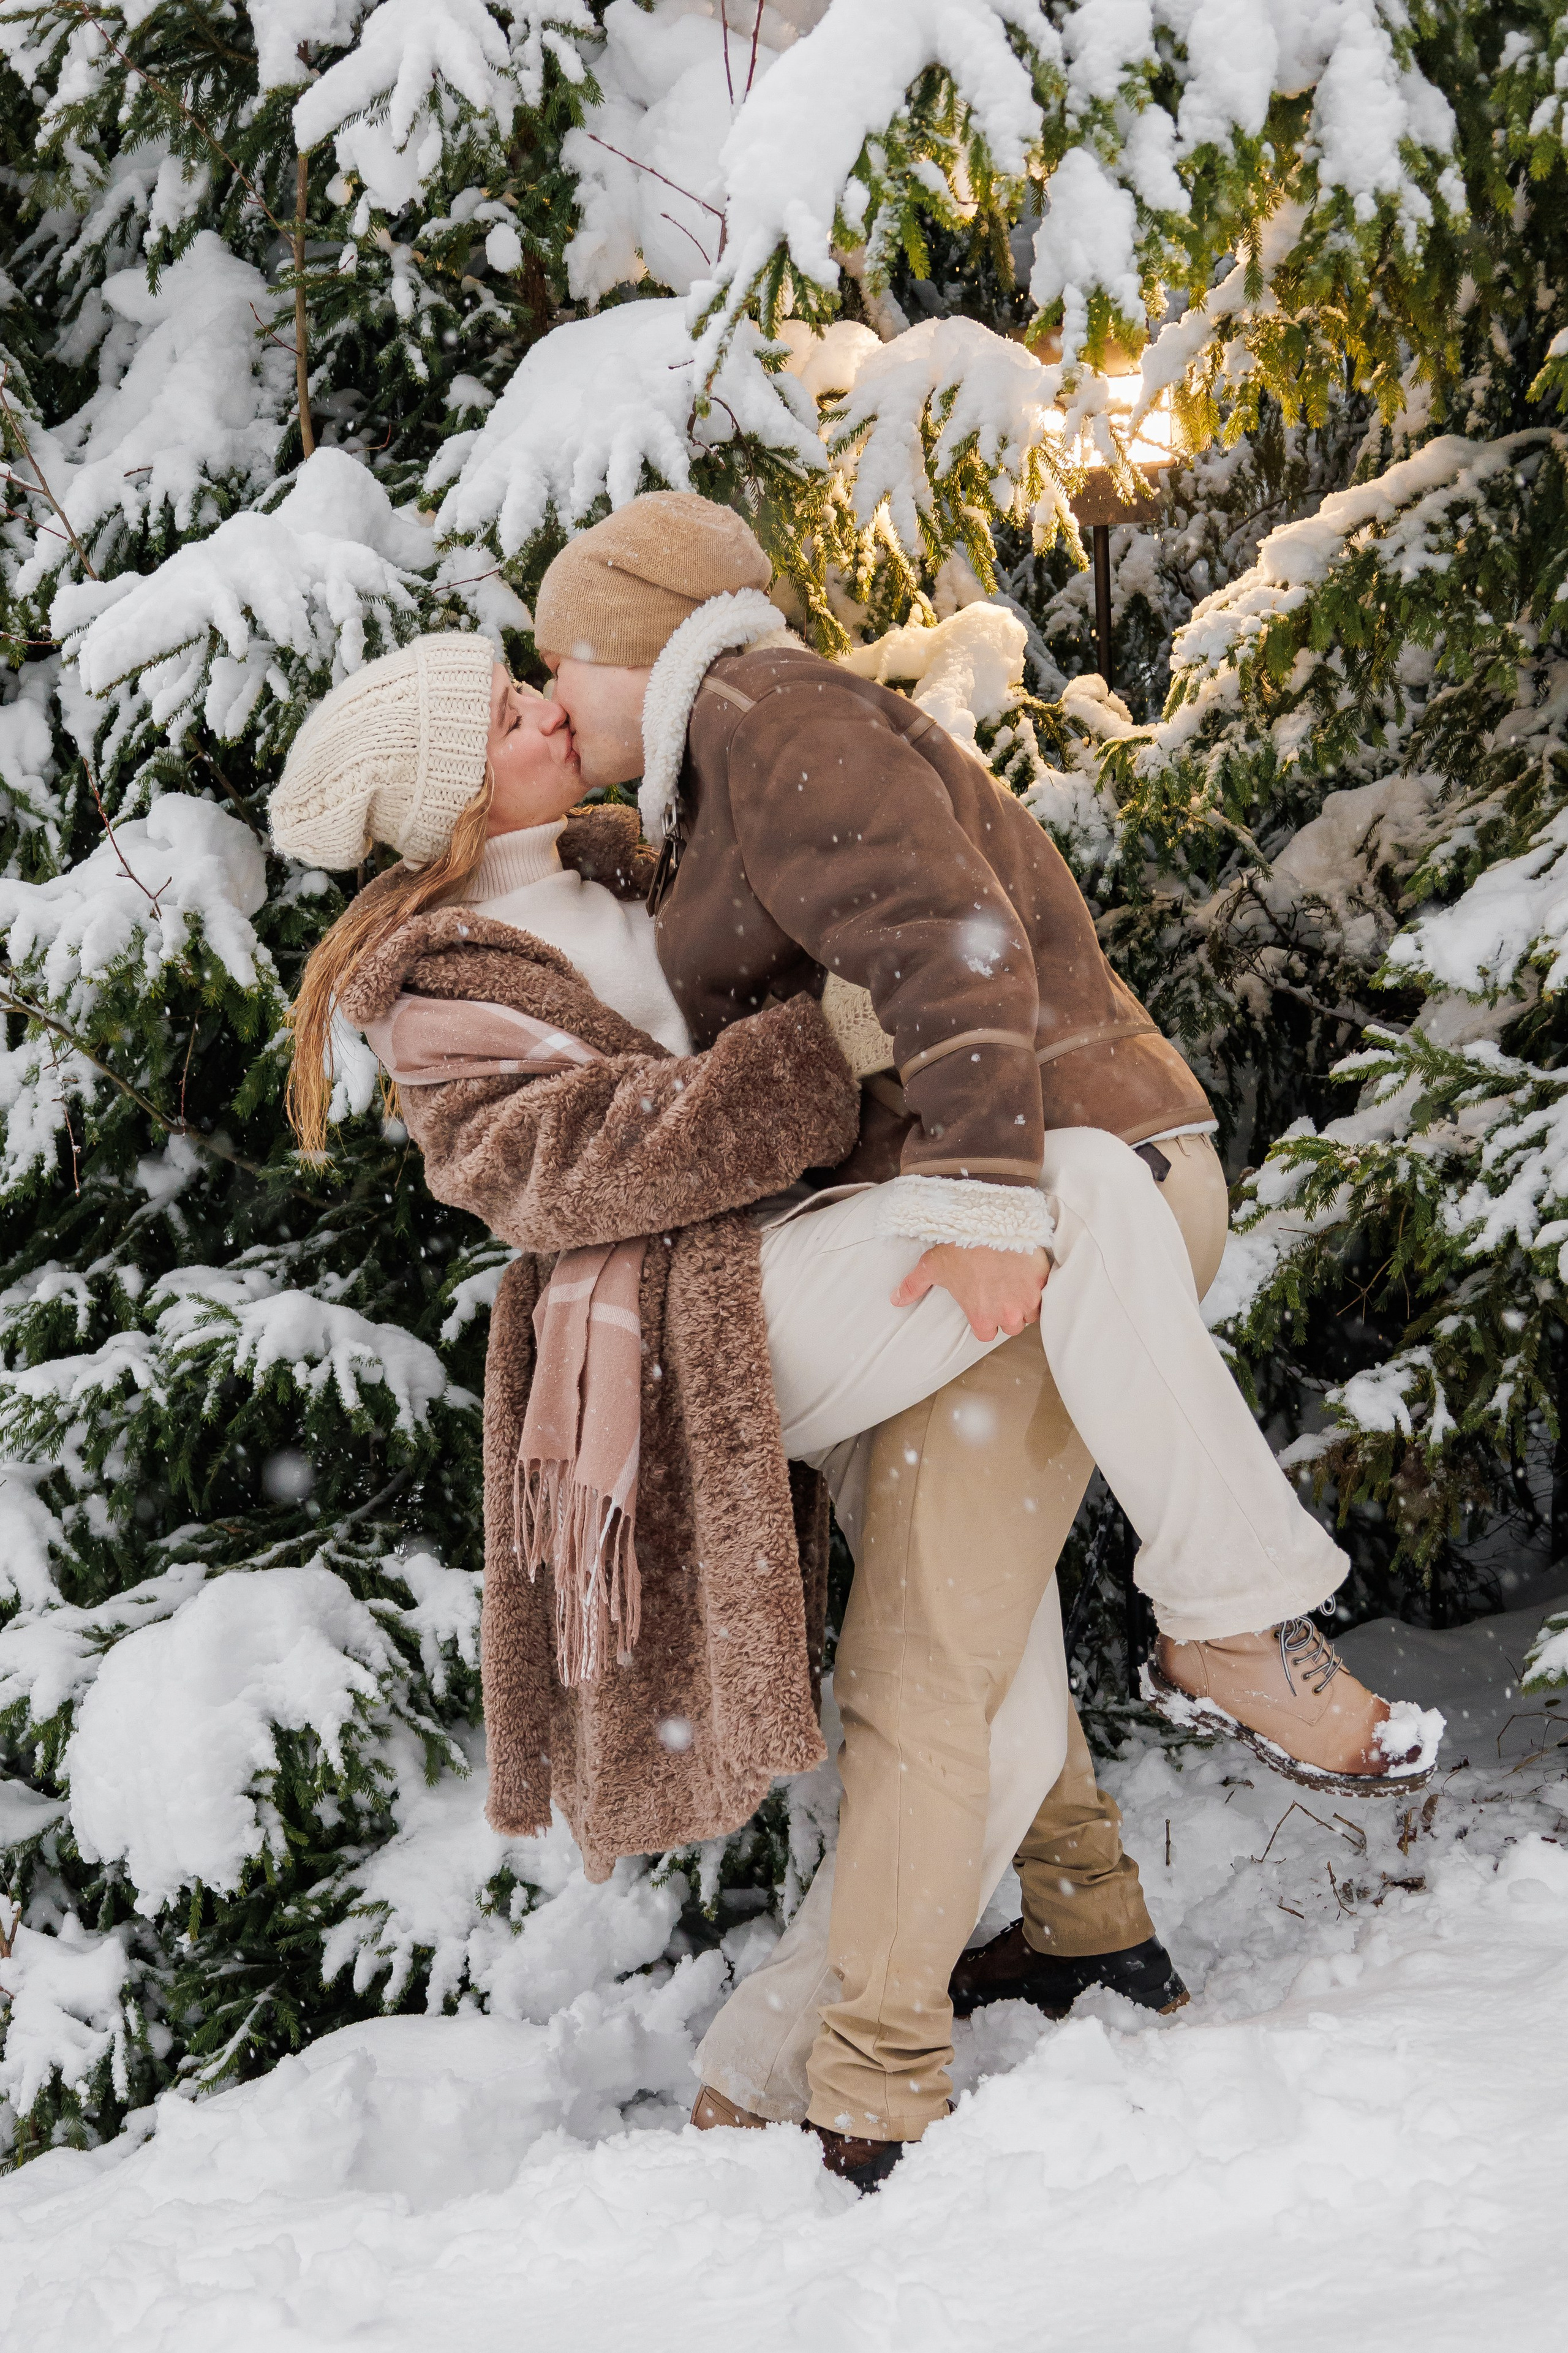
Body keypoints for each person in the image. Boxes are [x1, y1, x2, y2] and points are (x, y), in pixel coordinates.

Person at [521, 491, 1443, 2180]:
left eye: (556, 662)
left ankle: (858, 2083)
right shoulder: (712, 773)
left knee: (926, 1670)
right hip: (1016, 1191)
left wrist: (985, 1197)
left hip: (1054, 1178)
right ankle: (1085, 1924)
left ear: (628, 641)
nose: (548, 699)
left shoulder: (766, 709)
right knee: (965, 1635)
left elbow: (949, 931)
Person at [269, 635, 1191, 2188]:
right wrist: (825, 1044)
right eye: (505, 717)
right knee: (1088, 1199)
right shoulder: (435, 997)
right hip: (713, 1338)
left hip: (841, 1251)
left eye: (524, 685)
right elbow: (599, 1163)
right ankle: (1226, 1614)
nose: (546, 704)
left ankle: (844, 2023)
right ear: (444, 798)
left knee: (984, 1685)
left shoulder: (632, 860)